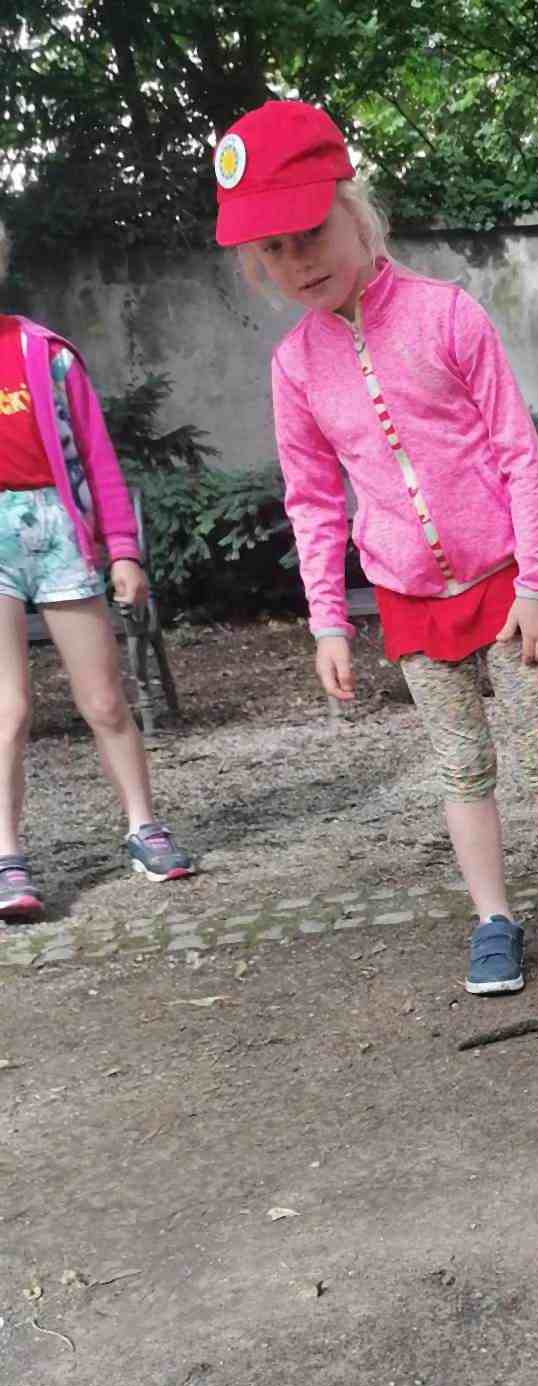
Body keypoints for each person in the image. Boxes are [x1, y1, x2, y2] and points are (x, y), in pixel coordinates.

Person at [212, 100, 538, 996]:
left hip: (505, 586)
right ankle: (493, 919)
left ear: (357, 212)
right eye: (273, 251)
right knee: (462, 768)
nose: (298, 262)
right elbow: (312, 502)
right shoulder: (295, 368)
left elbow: (517, 451)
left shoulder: (447, 316)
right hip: (409, 602)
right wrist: (327, 622)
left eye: (310, 233)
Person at [0, 222, 195, 921]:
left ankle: (144, 826)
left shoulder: (46, 355)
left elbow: (98, 457)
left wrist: (123, 550)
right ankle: (6, 857)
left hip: (60, 533)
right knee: (7, 708)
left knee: (105, 701)